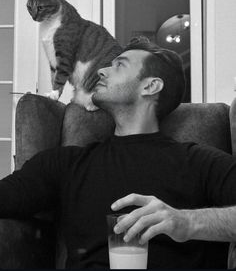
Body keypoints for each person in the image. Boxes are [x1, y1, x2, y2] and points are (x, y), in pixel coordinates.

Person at [0, 36, 236, 268]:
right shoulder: (66, 164)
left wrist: (187, 223)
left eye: (119, 65)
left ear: (151, 86)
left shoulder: (197, 162)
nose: (101, 71)